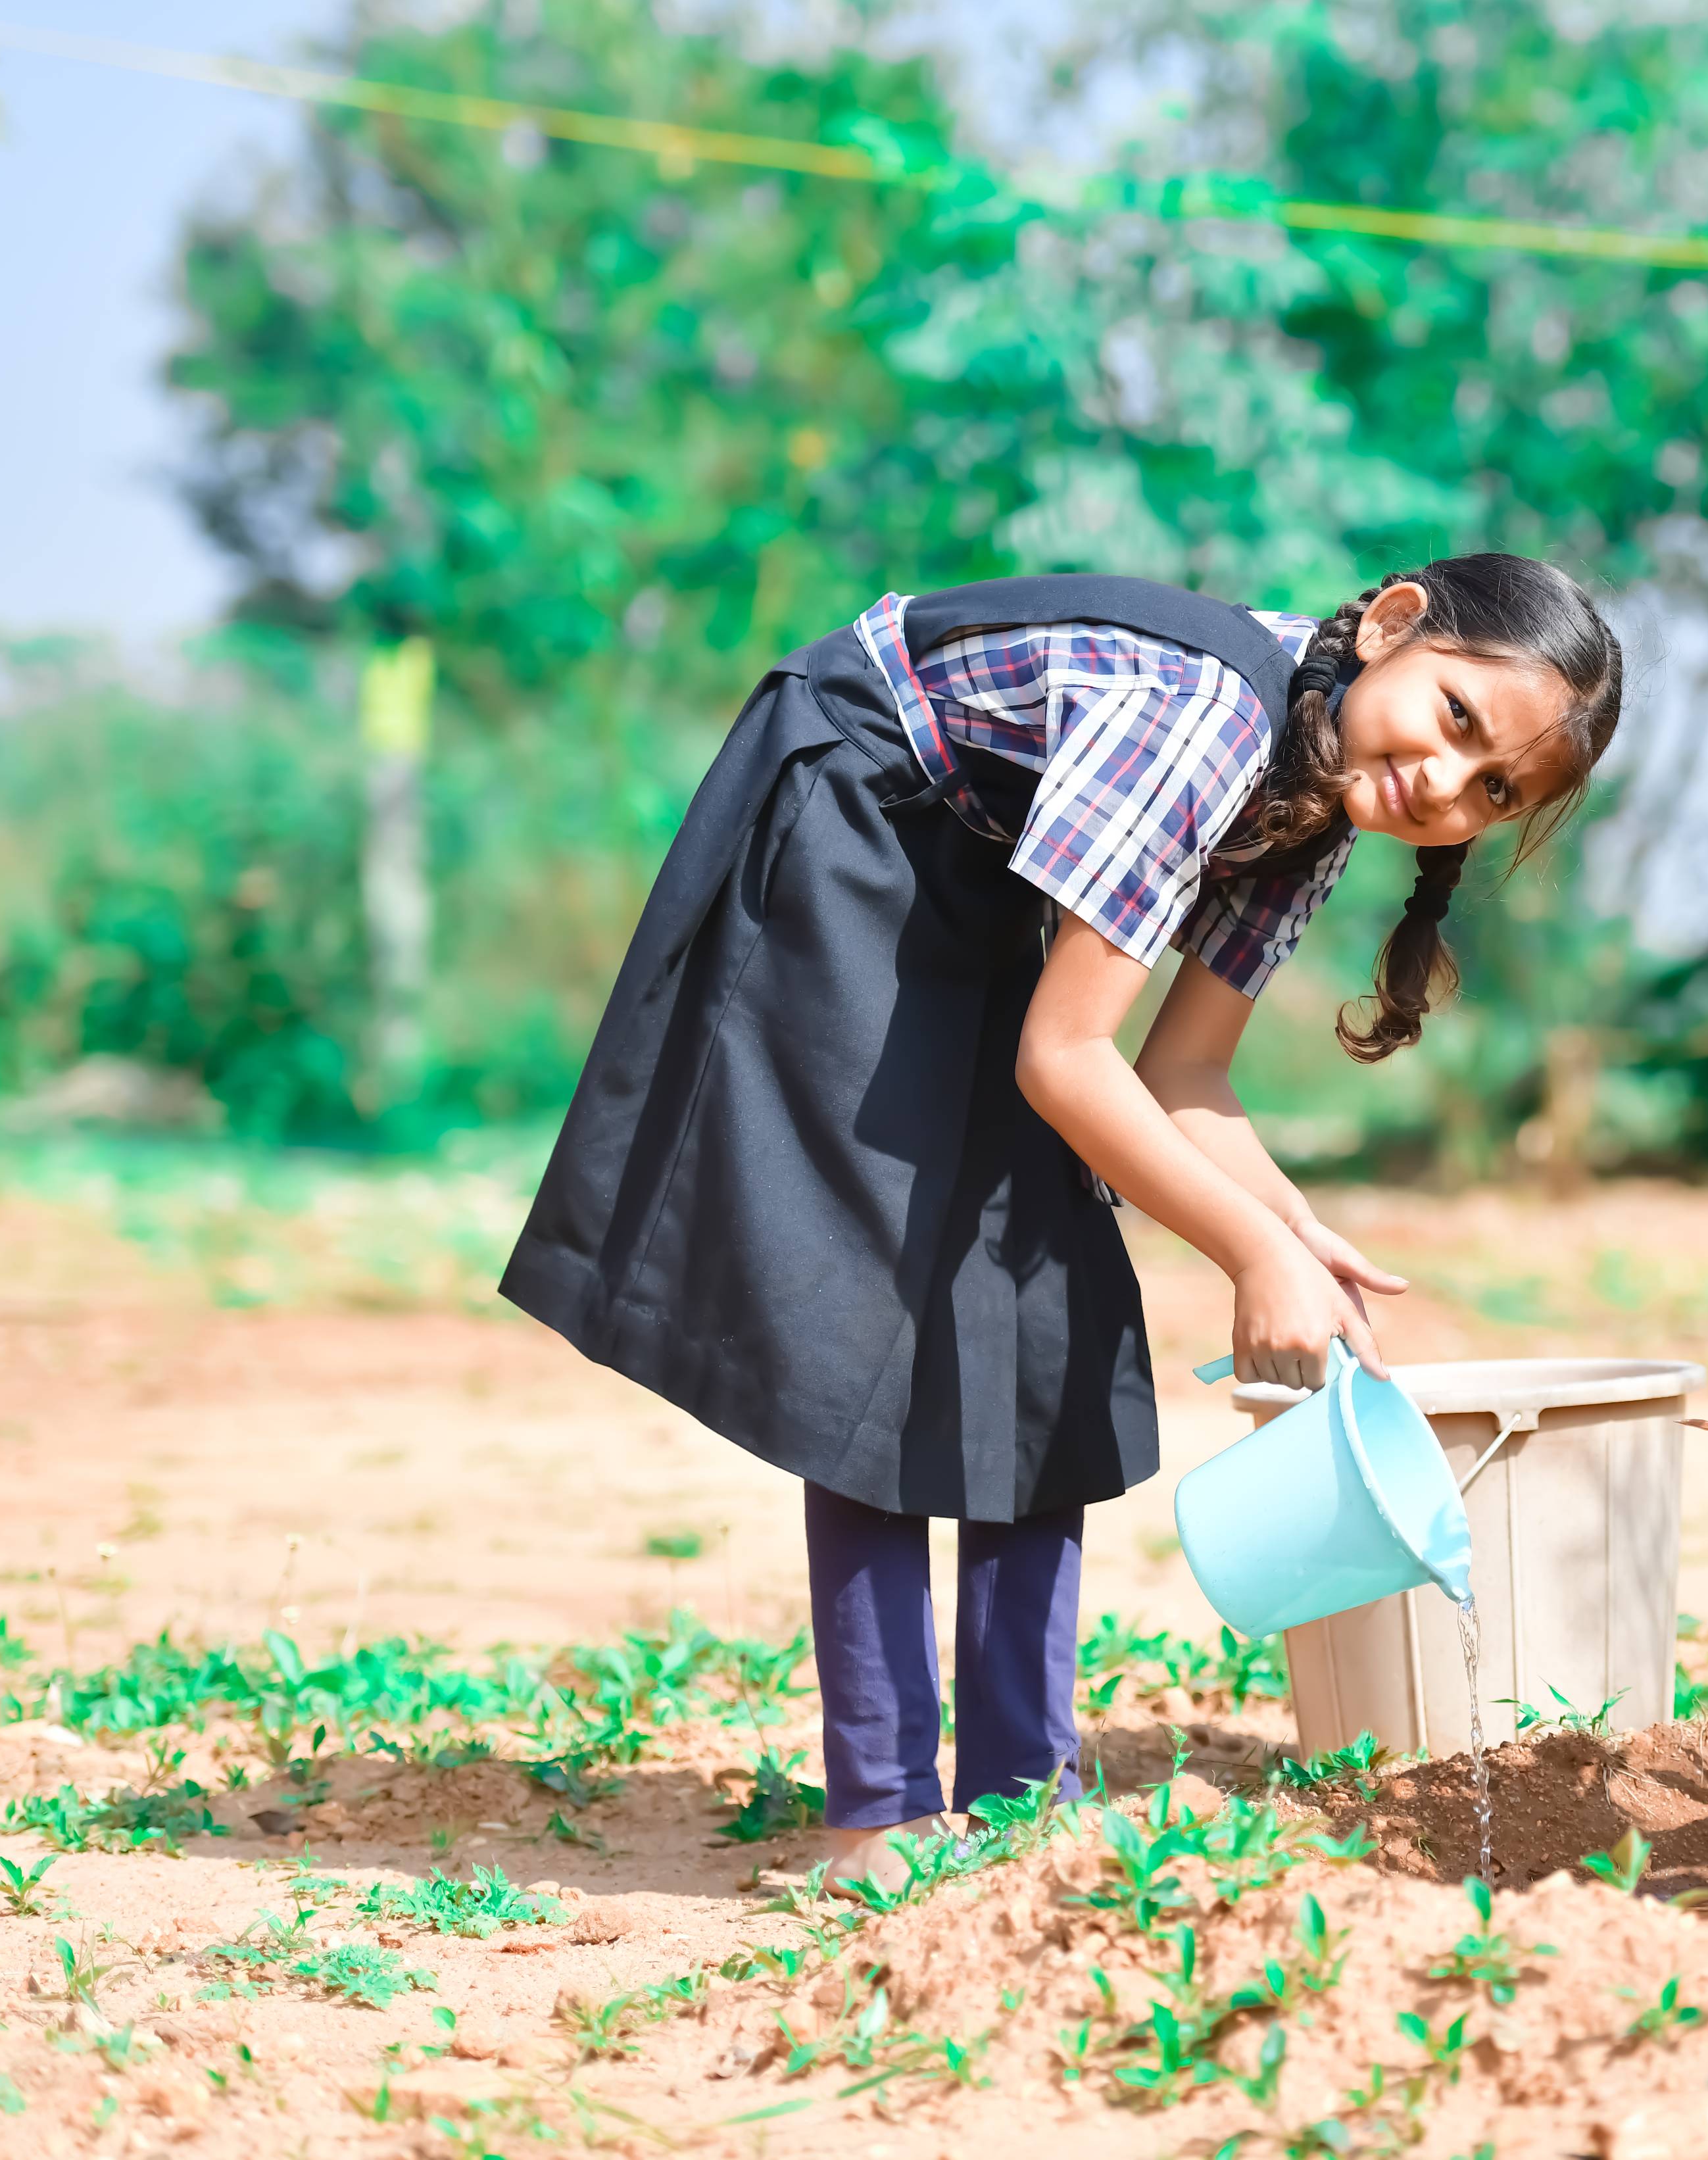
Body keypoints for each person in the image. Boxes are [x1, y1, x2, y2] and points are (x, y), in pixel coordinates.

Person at [499, 554, 1625, 1887]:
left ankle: (1019, 1799)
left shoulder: (1311, 801)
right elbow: (1067, 1060)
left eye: (1494, 790)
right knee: (887, 1317)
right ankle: (876, 1813)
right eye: (1452, 719)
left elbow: (1182, 1076)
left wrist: (1288, 1226)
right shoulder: (1201, 723)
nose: (1446, 785)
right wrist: (1245, 1250)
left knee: (1044, 1302)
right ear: (1389, 626)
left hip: (976, 856)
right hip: (850, 802)